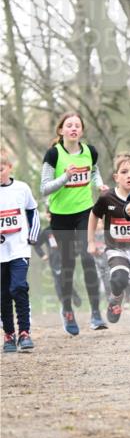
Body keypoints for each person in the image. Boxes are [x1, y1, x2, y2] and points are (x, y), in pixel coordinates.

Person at [40, 111, 107, 334]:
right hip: (60, 216)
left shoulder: (90, 151)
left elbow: (94, 172)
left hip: (84, 212)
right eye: (69, 125)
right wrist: (65, 178)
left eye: (77, 125)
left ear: (81, 130)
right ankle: (67, 310)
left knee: (88, 258)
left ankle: (96, 313)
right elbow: (44, 188)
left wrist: (99, 184)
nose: (73, 128)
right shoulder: (53, 154)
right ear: (61, 130)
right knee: (68, 264)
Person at [87, 153, 130, 349]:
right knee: (119, 279)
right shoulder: (107, 198)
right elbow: (93, 215)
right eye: (124, 172)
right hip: (116, 248)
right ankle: (116, 297)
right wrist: (90, 241)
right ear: (116, 177)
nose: (129, 175)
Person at [0, 148, 39, 352]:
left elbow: (33, 211)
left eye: (1, 169)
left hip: (19, 250)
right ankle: (8, 335)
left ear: (9, 168)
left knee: (18, 287)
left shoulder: (21, 189)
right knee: (3, 295)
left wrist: (32, 236)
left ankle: (24, 332)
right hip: (1, 253)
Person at [35, 213, 82, 309]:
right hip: (55, 260)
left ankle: (74, 295)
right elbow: (37, 244)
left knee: (67, 278)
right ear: (48, 217)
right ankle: (64, 303)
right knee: (59, 280)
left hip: (67, 257)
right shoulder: (47, 231)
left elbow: (76, 240)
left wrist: (75, 252)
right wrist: (42, 255)